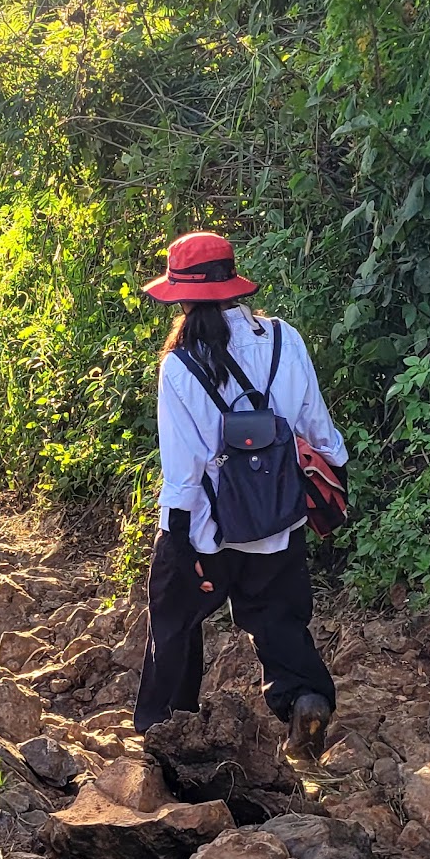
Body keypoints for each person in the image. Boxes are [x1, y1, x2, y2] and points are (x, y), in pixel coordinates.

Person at [135, 230, 349, 764]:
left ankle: (168, 732)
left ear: (179, 297)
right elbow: (318, 430)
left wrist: (178, 541)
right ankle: (305, 697)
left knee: (174, 619)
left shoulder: (180, 367)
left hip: (208, 527)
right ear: (234, 284)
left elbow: (183, 471)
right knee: (278, 617)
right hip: (277, 518)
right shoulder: (284, 339)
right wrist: (329, 478)